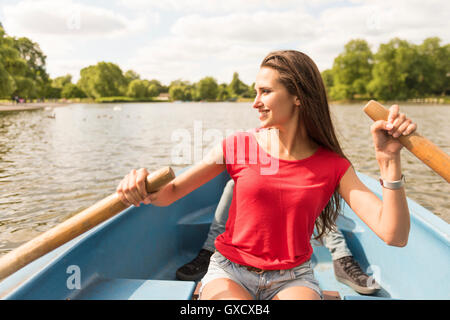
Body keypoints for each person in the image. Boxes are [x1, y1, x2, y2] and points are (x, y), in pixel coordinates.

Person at [116, 50, 416, 300]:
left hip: (293, 278)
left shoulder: (333, 165)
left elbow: (395, 235)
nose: (254, 102)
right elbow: (169, 193)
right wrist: (139, 182)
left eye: (265, 92)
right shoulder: (237, 145)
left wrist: (389, 160)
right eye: (255, 91)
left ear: (297, 96)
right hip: (229, 270)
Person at [176, 178, 379, 295]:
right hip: (234, 263)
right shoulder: (256, 139)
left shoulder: (318, 148)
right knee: (234, 184)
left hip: (293, 267)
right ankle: (209, 250)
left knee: (313, 182)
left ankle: (341, 257)